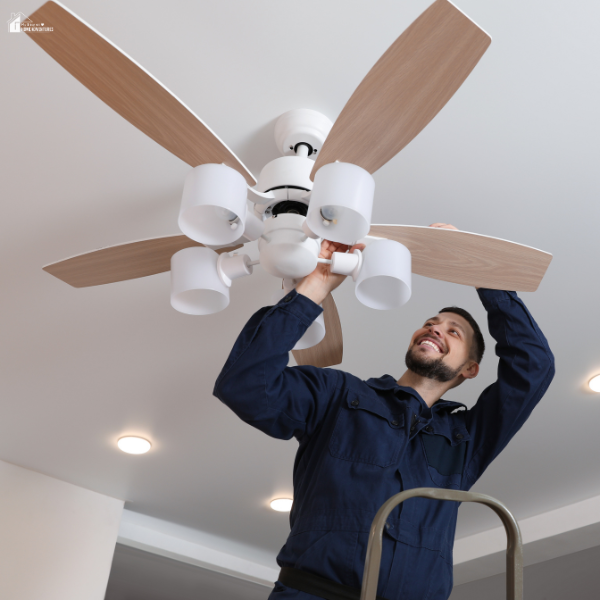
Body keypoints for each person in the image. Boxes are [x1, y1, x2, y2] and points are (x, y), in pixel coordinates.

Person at [213, 224, 555, 600]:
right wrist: (316, 285)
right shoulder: (338, 395)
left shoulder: (466, 440)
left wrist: (476, 269)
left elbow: (533, 366)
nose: (435, 329)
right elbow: (245, 385)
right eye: (430, 323)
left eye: (453, 331)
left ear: (470, 369)